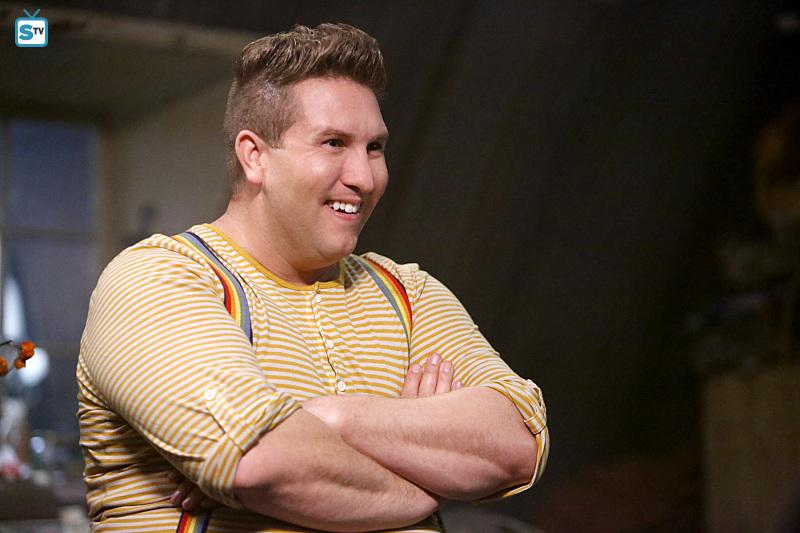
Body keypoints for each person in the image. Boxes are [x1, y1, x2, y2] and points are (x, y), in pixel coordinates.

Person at [77, 23, 549, 532]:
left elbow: (519, 447)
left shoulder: (409, 293)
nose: (364, 178)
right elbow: (262, 463)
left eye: (374, 147)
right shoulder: (160, 278)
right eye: (333, 143)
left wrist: (332, 418)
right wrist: (431, 481)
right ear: (255, 156)